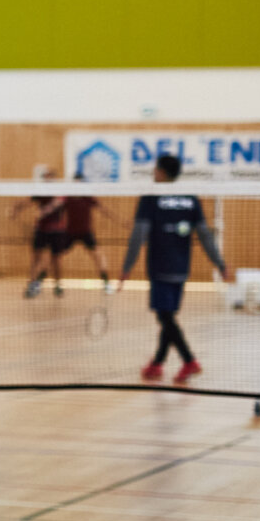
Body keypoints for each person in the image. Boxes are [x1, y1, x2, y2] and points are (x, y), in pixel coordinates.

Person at [119, 152, 231, 384]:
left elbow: (138, 235)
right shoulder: (191, 198)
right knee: (167, 316)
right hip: (181, 270)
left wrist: (127, 267)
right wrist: (220, 264)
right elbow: (205, 236)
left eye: (155, 169)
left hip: (159, 268)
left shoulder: (150, 198)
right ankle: (157, 363)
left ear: (161, 172)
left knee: (166, 318)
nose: (153, 173)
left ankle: (189, 360)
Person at [15, 170, 68, 298]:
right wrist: (17, 208)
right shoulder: (40, 191)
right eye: (45, 178)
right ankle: (32, 285)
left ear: (54, 179)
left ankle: (58, 285)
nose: (47, 180)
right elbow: (28, 201)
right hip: (41, 230)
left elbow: (63, 207)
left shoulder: (61, 194)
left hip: (57, 231)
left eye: (50, 178)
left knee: (56, 259)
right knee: (36, 258)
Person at [58, 178, 114, 292]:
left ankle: (106, 283)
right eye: (75, 184)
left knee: (98, 256)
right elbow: (57, 212)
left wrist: (121, 221)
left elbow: (103, 210)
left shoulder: (88, 197)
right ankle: (46, 282)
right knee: (55, 255)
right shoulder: (67, 198)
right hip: (69, 233)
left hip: (86, 233)